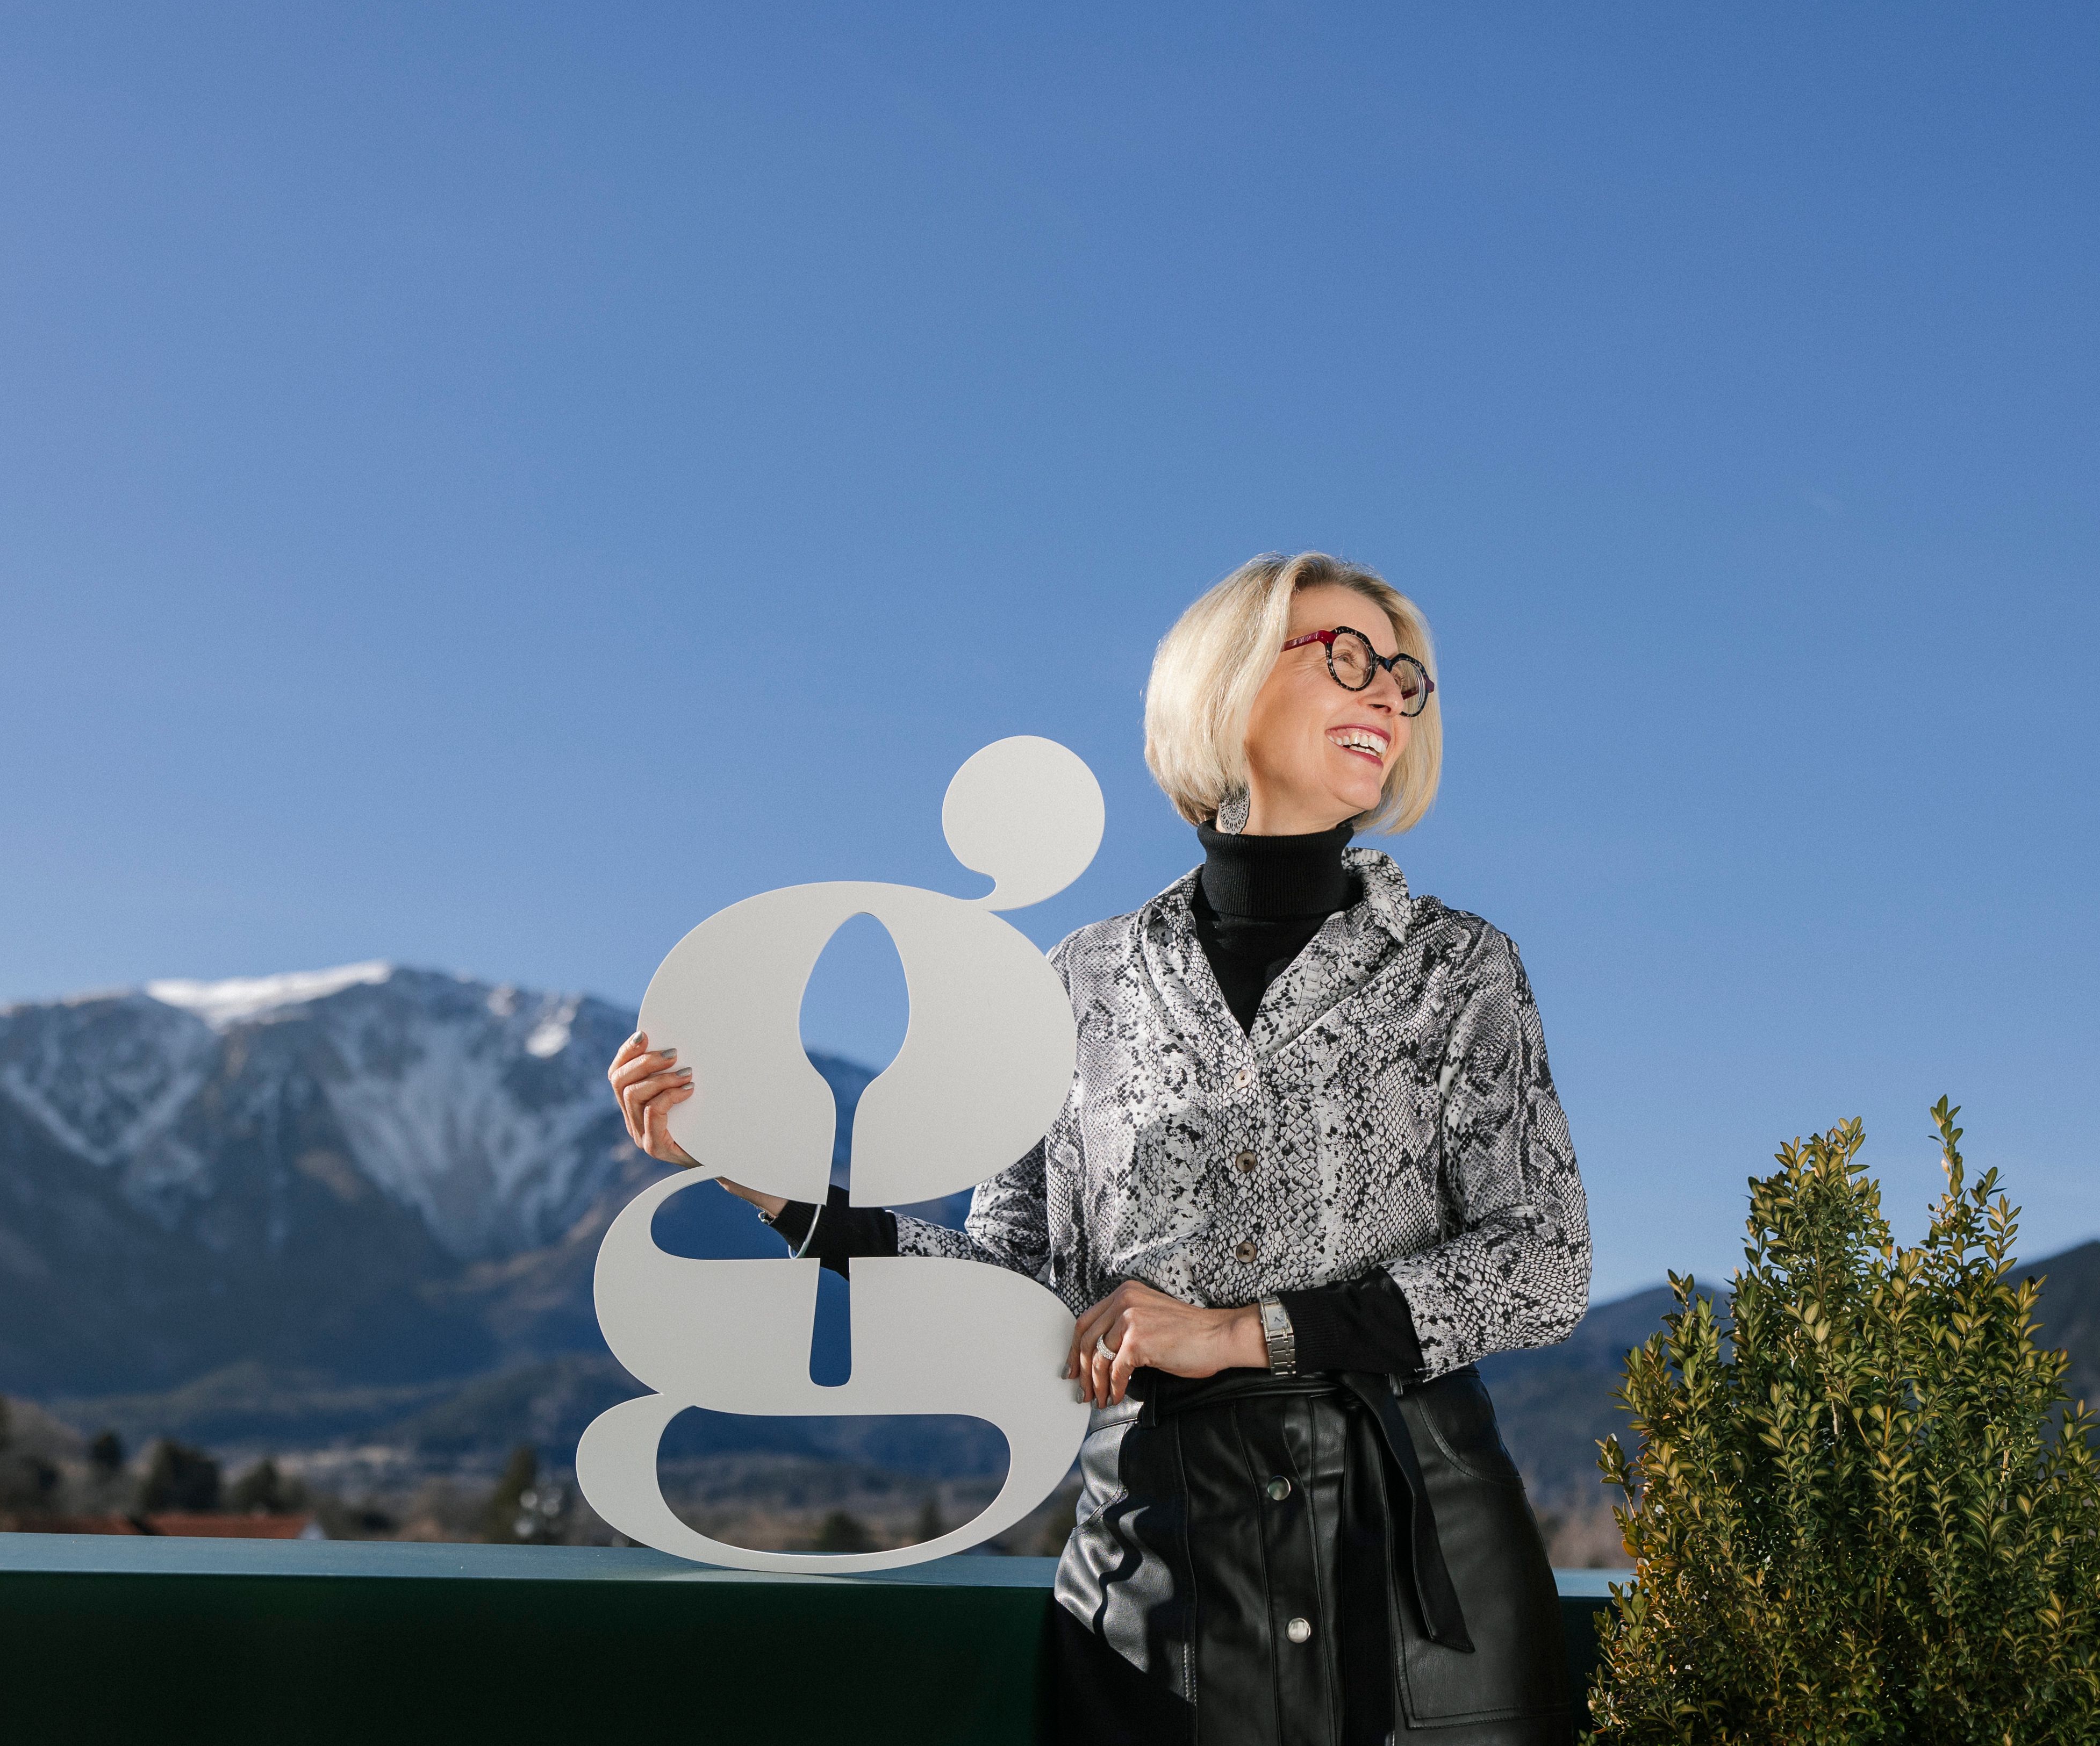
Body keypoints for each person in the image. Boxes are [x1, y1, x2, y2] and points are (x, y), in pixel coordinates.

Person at [611, 551, 1592, 1745]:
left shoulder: (1458, 966)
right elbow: (1019, 1285)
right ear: (1224, 684)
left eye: (1406, 676)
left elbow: (1542, 1262)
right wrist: (765, 1178)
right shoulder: (1075, 980)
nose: (1386, 692)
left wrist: (1243, 1330)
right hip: (1154, 1570)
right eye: (1343, 655)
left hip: (1417, 1566)